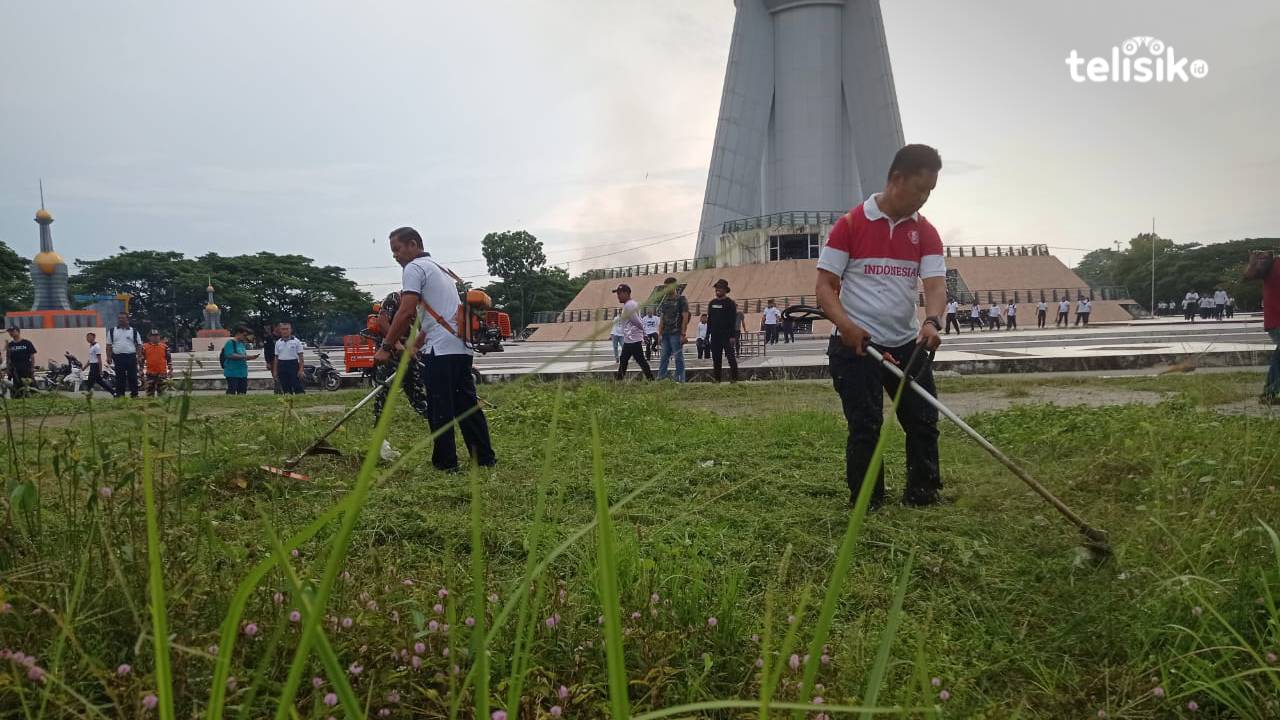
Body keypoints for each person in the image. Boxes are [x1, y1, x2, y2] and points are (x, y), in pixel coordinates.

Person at [816, 143, 947, 509]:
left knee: (923, 419)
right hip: (857, 346)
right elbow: (824, 287)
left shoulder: (927, 233)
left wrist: (933, 322)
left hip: (908, 344)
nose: (923, 199)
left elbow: (936, 286)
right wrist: (846, 325)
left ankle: (923, 494)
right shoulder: (851, 225)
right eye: (920, 189)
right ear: (896, 179)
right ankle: (867, 502)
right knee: (866, 426)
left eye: (930, 193)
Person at [376, 226, 496, 472]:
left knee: (440, 407)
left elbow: (406, 310)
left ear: (413, 244)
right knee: (467, 405)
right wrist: (414, 345)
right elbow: (437, 317)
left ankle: (446, 463)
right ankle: (484, 458)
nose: (395, 256)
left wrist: (387, 346)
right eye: (393, 252)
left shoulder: (414, 268)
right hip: (460, 348)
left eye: (397, 249)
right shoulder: (441, 270)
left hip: (442, 351)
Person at [367, 291, 433, 460]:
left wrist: (415, 348)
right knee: (383, 398)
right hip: (390, 356)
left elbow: (425, 330)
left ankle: (440, 435)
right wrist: (395, 343)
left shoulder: (426, 305)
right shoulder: (395, 298)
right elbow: (382, 321)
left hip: (411, 356)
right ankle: (379, 444)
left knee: (419, 397)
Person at [1248, 250, 1280, 403]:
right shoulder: (1273, 263)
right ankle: (1270, 393)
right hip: (1277, 321)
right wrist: (1254, 260)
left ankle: (1270, 393)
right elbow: (1250, 275)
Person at [612, 283, 653, 380]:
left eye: (620, 293)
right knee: (624, 360)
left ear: (626, 293)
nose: (618, 296)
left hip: (633, 339)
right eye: (617, 293)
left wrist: (645, 333)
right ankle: (619, 379)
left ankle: (650, 379)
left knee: (640, 360)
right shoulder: (631, 304)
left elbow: (637, 321)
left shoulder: (629, 305)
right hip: (630, 339)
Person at [655, 276, 690, 382]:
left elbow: (685, 317)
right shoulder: (665, 301)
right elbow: (662, 319)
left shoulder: (681, 300)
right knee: (664, 357)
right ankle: (661, 378)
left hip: (676, 333)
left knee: (678, 357)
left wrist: (683, 334)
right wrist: (659, 334)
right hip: (665, 333)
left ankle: (680, 379)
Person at [706, 279, 740, 383]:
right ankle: (717, 380)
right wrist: (707, 335)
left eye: (720, 288)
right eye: (716, 288)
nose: (717, 290)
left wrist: (732, 336)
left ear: (725, 290)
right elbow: (709, 320)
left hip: (727, 336)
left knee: (731, 358)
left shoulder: (730, 303)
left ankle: (734, 379)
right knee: (716, 359)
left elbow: (732, 320)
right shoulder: (712, 303)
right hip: (715, 336)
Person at [105, 313, 142, 398]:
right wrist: (109, 357)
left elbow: (139, 345)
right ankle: (120, 394)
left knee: (132, 376)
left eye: (123, 318)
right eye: (119, 318)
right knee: (119, 376)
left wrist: (139, 356)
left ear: (127, 320)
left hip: (131, 357)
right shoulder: (112, 331)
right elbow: (109, 345)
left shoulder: (134, 331)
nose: (120, 320)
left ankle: (134, 394)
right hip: (118, 357)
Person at [221, 326, 258, 395]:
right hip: (232, 372)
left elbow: (242, 356)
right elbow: (229, 354)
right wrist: (245, 356)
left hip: (242, 372)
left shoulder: (241, 344)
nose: (245, 337)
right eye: (244, 335)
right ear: (238, 333)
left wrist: (250, 357)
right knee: (232, 390)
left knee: (242, 392)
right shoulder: (230, 343)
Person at [273, 322, 306, 395]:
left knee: (297, 385)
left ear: (291, 330)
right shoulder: (278, 342)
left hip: (293, 364)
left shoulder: (296, 341)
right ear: (280, 330)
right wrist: (275, 371)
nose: (285, 331)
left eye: (287, 329)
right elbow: (276, 358)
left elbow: (301, 357)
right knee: (285, 387)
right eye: (283, 329)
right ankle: (289, 402)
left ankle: (301, 400)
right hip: (281, 365)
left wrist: (301, 370)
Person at [4, 327, 37, 398]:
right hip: (15, 369)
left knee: (29, 386)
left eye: (12, 331)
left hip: (26, 368)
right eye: (9, 332)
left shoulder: (27, 343)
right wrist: (8, 369)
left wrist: (32, 368)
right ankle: (19, 399)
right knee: (17, 386)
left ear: (18, 331)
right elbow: (8, 358)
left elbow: (32, 356)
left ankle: (31, 398)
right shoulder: (10, 345)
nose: (10, 333)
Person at [141, 331, 172, 397]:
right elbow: (142, 360)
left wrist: (170, 370)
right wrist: (141, 371)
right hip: (150, 374)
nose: (155, 337)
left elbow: (169, 360)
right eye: (153, 336)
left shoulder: (165, 347)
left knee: (162, 394)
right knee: (149, 393)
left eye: (157, 336)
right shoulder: (145, 347)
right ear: (149, 337)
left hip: (162, 373)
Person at [261, 323, 280, 393]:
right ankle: (277, 391)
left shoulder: (281, 337)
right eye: (279, 327)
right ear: (275, 327)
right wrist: (268, 362)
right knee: (276, 377)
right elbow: (266, 351)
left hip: (282, 360)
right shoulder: (269, 338)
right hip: (272, 360)